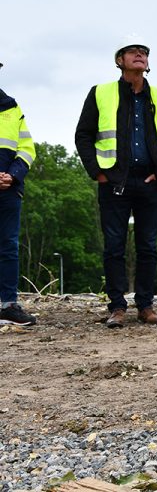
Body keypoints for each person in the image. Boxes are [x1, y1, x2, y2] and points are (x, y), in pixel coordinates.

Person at [75, 35, 157, 328]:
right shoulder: (100, 93)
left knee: (148, 246)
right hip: (114, 181)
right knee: (114, 247)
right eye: (132, 51)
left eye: (144, 52)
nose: (140, 55)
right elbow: (83, 135)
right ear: (119, 61)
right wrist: (97, 172)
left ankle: (145, 307)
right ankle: (117, 307)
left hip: (149, 182)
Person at [0, 60, 37, 326]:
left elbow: (27, 147)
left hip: (8, 188)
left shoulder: (11, 106)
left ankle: (8, 305)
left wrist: (12, 175)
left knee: (8, 247)